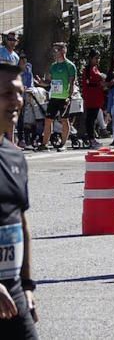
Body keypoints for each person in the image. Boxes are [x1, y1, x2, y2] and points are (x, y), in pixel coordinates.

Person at [0, 63, 38, 339]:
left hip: (12, 292)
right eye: (6, 94)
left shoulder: (14, 156)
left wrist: (27, 285)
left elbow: (21, 222)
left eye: (20, 93)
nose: (16, 101)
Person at [80, 50, 106, 148]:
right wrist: (102, 78)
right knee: (90, 119)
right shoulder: (87, 70)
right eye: (96, 58)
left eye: (98, 58)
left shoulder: (95, 68)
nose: (97, 60)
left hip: (96, 97)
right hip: (91, 98)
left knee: (93, 119)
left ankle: (92, 137)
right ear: (90, 58)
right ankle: (91, 139)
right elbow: (97, 78)